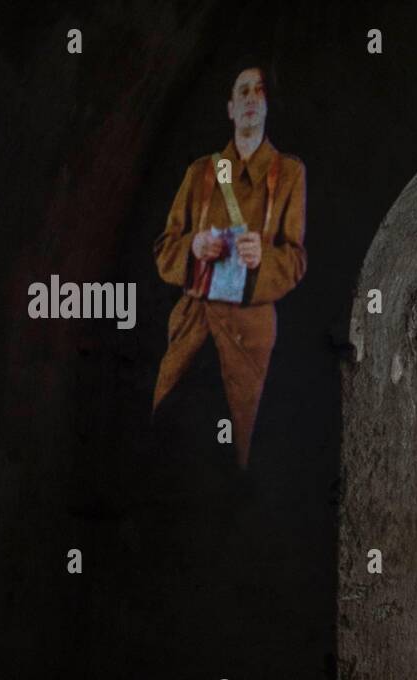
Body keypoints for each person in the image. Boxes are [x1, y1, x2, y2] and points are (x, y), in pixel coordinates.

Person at [151, 58, 308, 471]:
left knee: (240, 451)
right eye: (243, 91)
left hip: (249, 331)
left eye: (260, 91)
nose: (253, 99)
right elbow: (164, 248)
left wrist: (264, 258)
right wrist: (193, 246)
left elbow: (295, 259)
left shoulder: (289, 173)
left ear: (268, 105)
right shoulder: (201, 172)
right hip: (194, 319)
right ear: (230, 108)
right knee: (167, 431)